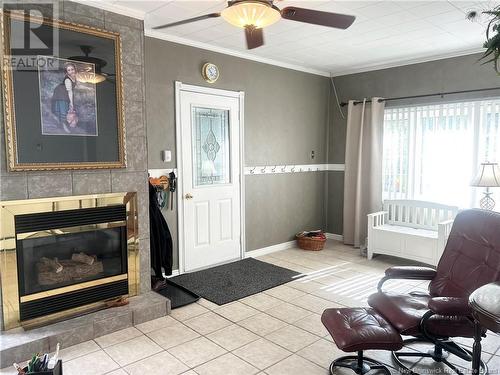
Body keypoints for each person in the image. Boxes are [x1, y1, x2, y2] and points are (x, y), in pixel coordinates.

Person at [51, 61, 79, 133]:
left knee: (68, 109)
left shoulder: (74, 77)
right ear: (67, 72)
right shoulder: (67, 80)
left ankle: (67, 125)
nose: (71, 71)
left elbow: (72, 90)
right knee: (64, 110)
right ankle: (63, 126)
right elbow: (69, 91)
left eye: (72, 69)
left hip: (65, 93)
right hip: (60, 93)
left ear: (75, 69)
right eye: (69, 70)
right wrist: (71, 103)